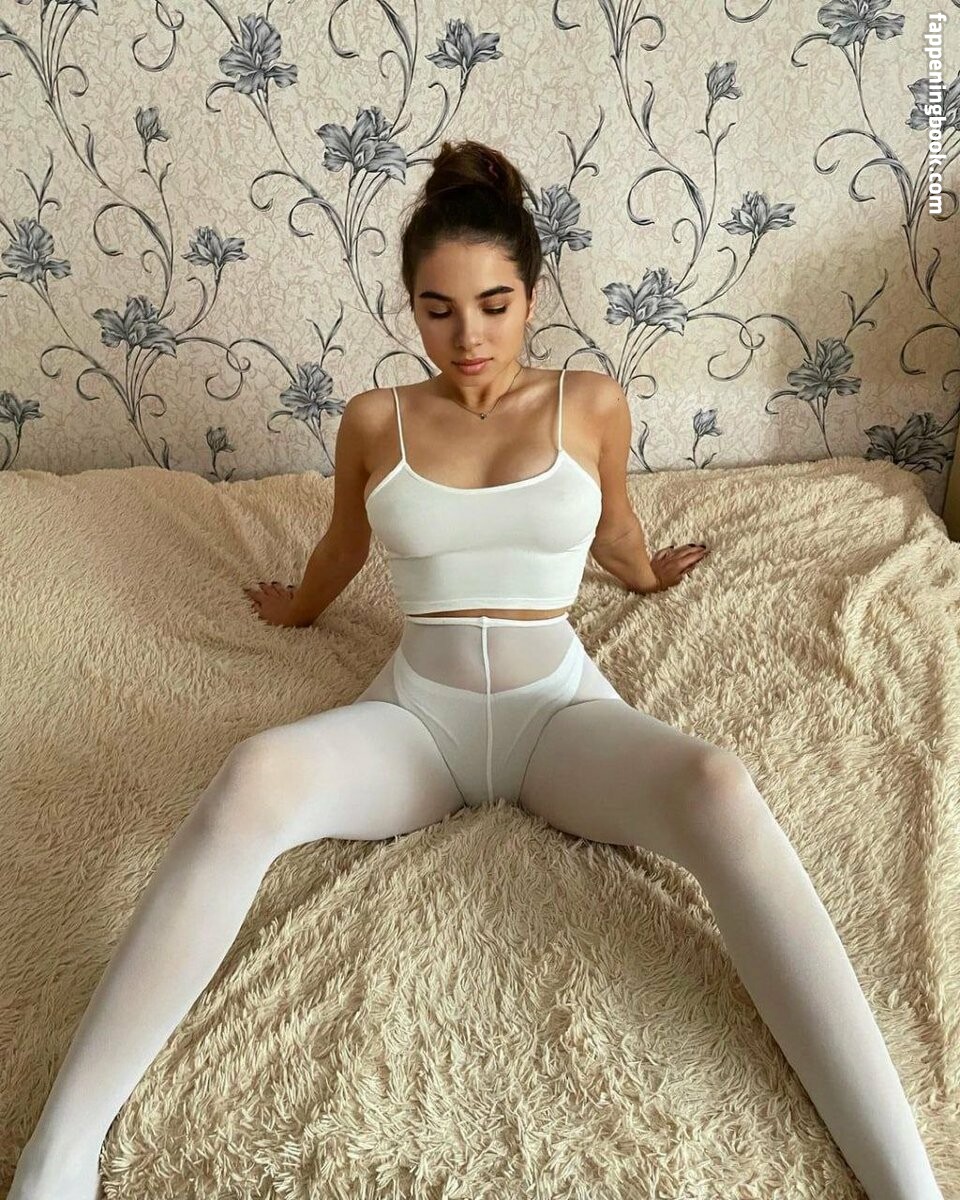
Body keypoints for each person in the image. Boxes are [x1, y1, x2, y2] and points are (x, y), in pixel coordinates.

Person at [9, 140, 943, 1200]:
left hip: (557, 719)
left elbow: (615, 527)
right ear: (412, 308)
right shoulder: (376, 420)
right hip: (419, 723)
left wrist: (647, 577)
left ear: (532, 296)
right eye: (438, 309)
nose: (469, 337)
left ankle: (904, 1180)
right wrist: (298, 606)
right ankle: (59, 1154)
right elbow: (343, 547)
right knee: (253, 773)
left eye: (494, 305)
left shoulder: (591, 403)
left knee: (718, 784)